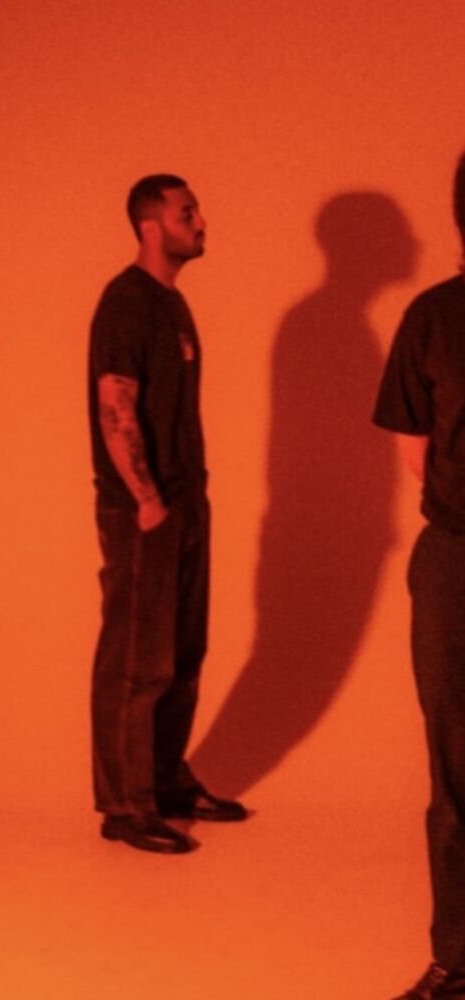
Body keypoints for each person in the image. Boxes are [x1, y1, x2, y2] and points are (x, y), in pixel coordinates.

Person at [88, 174, 247, 855]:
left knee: (182, 652)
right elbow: (115, 405)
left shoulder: (172, 305)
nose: (201, 221)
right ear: (151, 226)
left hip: (184, 500)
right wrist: (147, 499)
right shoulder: (127, 302)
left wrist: (183, 500)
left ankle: (166, 782)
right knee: (137, 660)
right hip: (142, 509)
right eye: (188, 213)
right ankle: (126, 805)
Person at [375, 150, 465, 1000]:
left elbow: (419, 453)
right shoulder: (433, 317)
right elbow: (415, 452)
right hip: (456, 563)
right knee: (457, 767)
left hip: (457, 554)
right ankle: (460, 959)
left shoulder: (433, 317)